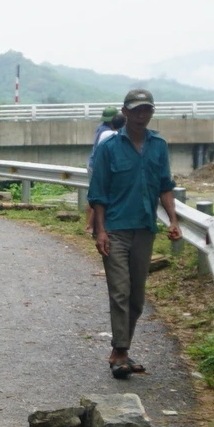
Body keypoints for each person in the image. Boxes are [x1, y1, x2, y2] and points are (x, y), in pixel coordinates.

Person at [86, 88, 179, 380]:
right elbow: (98, 192)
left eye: (146, 110)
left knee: (137, 296)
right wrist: (100, 230)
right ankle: (121, 351)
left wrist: (173, 221)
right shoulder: (108, 147)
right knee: (120, 291)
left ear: (151, 113)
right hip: (114, 228)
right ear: (124, 112)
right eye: (136, 110)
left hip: (145, 228)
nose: (141, 115)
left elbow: (165, 186)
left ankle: (120, 351)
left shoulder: (159, 146)